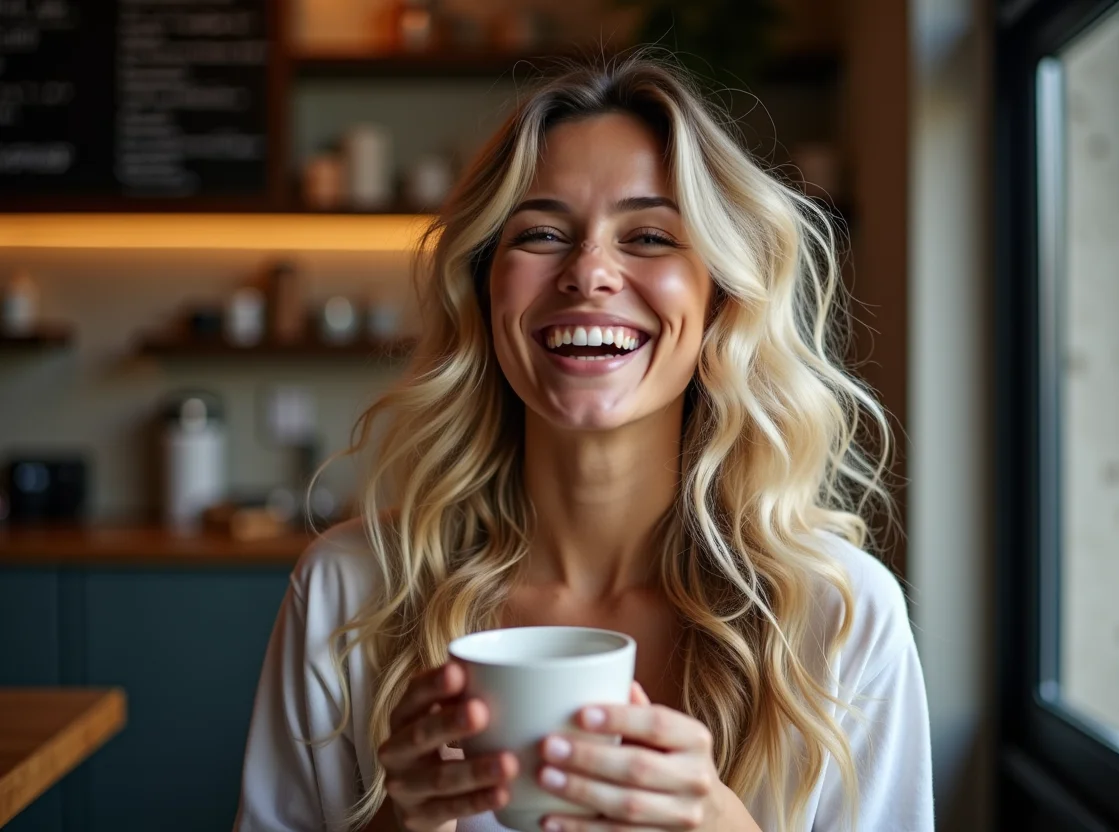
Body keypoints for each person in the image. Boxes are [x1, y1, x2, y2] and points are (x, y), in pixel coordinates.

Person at [234, 55, 933, 832]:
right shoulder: (349, 592)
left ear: (720, 300)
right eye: (540, 233)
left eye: (649, 235)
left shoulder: (839, 615)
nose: (589, 271)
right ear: (484, 288)